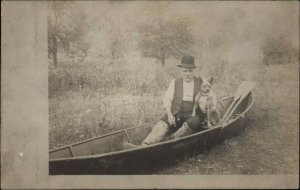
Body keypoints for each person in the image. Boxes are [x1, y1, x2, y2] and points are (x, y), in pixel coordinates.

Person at [141, 55, 204, 146]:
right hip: (176, 113)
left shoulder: (200, 82)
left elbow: (208, 97)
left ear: (194, 70)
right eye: (185, 71)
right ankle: (146, 144)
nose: (187, 74)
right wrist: (170, 114)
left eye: (190, 71)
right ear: (181, 70)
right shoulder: (175, 82)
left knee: (194, 122)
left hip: (192, 115)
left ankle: (169, 142)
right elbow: (167, 100)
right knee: (163, 123)